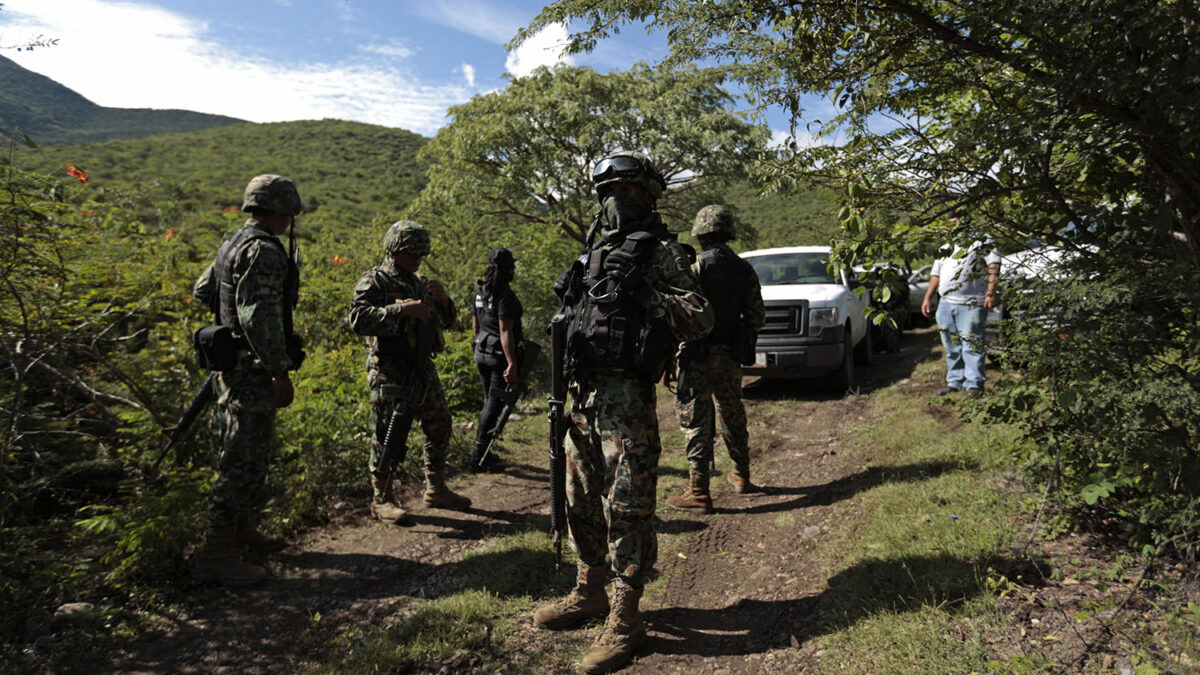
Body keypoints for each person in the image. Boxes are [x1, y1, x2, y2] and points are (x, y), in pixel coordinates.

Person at [533, 151, 713, 673]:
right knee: (580, 500)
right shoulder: (594, 253)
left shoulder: (660, 252)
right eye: (607, 190)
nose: (614, 200)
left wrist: (647, 292)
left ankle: (626, 616)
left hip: (627, 402)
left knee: (628, 508)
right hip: (583, 399)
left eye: (625, 190)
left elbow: (701, 318)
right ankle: (589, 589)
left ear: (646, 195)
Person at [191, 174, 304, 586]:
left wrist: (229, 322)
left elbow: (204, 290)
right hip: (253, 372)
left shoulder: (233, 243)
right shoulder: (264, 251)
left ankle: (241, 534)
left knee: (252, 456)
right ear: (281, 209)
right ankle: (216, 554)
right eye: (289, 211)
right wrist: (278, 371)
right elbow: (260, 317)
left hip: (230, 368)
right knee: (240, 462)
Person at [348, 220, 471, 525]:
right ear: (395, 250)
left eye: (421, 254)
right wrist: (399, 310)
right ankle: (382, 499)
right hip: (389, 370)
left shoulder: (420, 282)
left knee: (439, 422)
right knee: (389, 433)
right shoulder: (374, 282)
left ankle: (436, 487)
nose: (418, 259)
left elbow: (448, 321)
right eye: (412, 253)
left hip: (420, 367)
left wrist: (443, 301)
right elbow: (356, 320)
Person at [666, 205, 765, 513]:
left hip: (697, 354)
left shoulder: (693, 268)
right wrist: (739, 340)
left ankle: (699, 491)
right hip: (729, 356)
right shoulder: (743, 268)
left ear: (700, 233)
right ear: (727, 232)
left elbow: (682, 314)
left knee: (695, 420)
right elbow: (756, 316)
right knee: (732, 412)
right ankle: (741, 475)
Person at [921, 238, 1001, 397]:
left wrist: (991, 292)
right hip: (945, 303)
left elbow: (994, 265)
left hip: (972, 302)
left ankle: (974, 385)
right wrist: (927, 297)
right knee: (951, 345)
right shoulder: (945, 246)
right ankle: (955, 382)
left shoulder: (982, 241)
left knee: (972, 345)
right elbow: (936, 274)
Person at [469, 246, 523, 473]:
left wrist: (480, 345)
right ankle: (478, 457)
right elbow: (505, 331)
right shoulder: (505, 295)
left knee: (488, 403)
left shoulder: (481, 292)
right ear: (508, 269)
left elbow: (475, 324)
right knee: (493, 404)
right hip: (498, 357)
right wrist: (512, 363)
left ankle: (484, 452)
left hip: (481, 351)